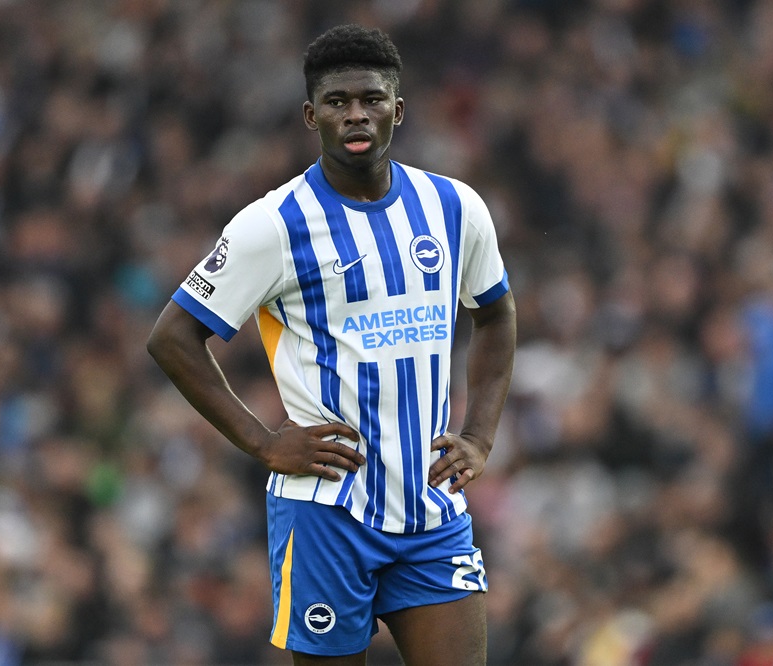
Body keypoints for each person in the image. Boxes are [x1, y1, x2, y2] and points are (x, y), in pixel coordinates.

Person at [146, 23, 515, 666]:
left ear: (397, 110)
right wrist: (262, 441)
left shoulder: (455, 208)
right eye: (339, 101)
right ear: (311, 115)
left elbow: (496, 315)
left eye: (371, 99)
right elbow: (173, 337)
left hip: (430, 510)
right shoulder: (272, 225)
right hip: (326, 516)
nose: (356, 114)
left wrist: (480, 434)